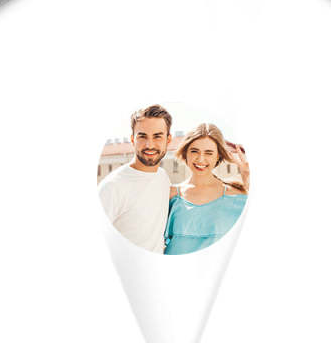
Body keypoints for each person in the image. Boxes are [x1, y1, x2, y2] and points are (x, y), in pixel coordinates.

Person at [164, 123, 249, 255]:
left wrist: (247, 176)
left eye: (209, 153)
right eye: (194, 151)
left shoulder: (238, 196)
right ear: (186, 153)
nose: (201, 159)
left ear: (218, 156)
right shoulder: (170, 194)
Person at [98, 105, 173, 254]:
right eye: (142, 136)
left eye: (157, 136)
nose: (149, 145)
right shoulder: (112, 187)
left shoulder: (163, 177)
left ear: (168, 139)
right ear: (132, 139)